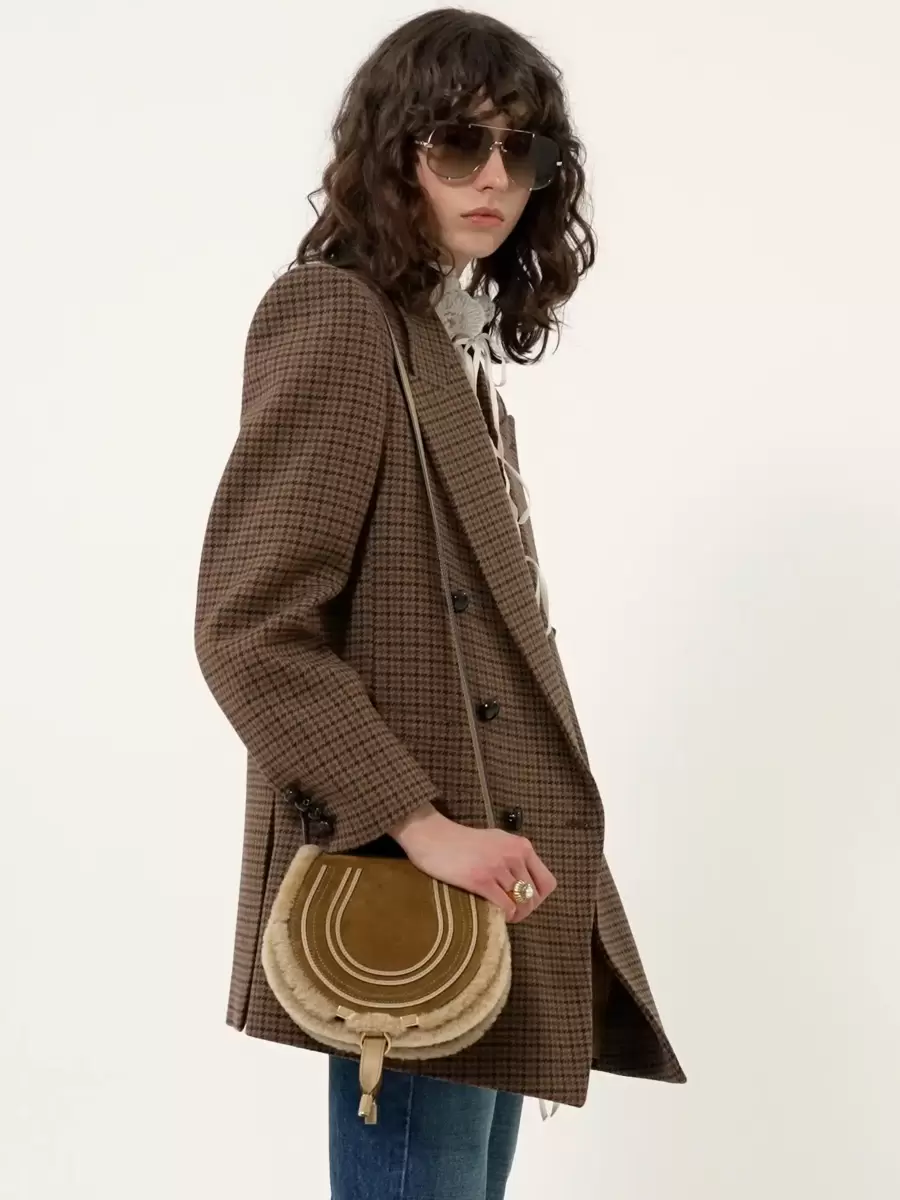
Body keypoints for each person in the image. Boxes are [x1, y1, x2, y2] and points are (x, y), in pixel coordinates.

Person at [193, 8, 685, 1199]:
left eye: (525, 151)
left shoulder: (439, 340)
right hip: (413, 884)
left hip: (492, 870)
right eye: (461, 144)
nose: (496, 179)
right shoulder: (336, 314)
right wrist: (420, 827)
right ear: (393, 150)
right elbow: (251, 629)